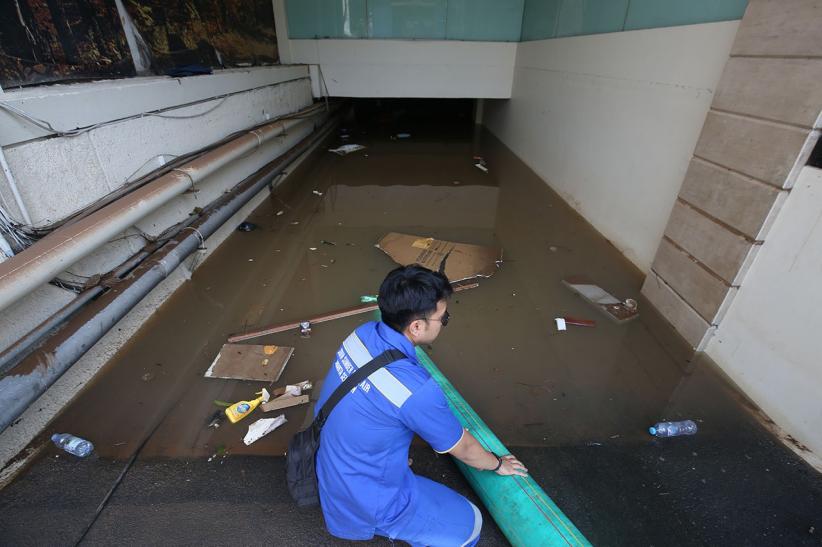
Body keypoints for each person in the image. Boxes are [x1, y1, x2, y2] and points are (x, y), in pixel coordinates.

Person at [314, 264, 528, 546]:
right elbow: (463, 448)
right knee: (471, 527)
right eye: (443, 318)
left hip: (328, 462)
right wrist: (498, 463)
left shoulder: (361, 334)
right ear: (416, 326)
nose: (444, 321)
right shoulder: (416, 391)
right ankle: (391, 525)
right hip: (365, 496)